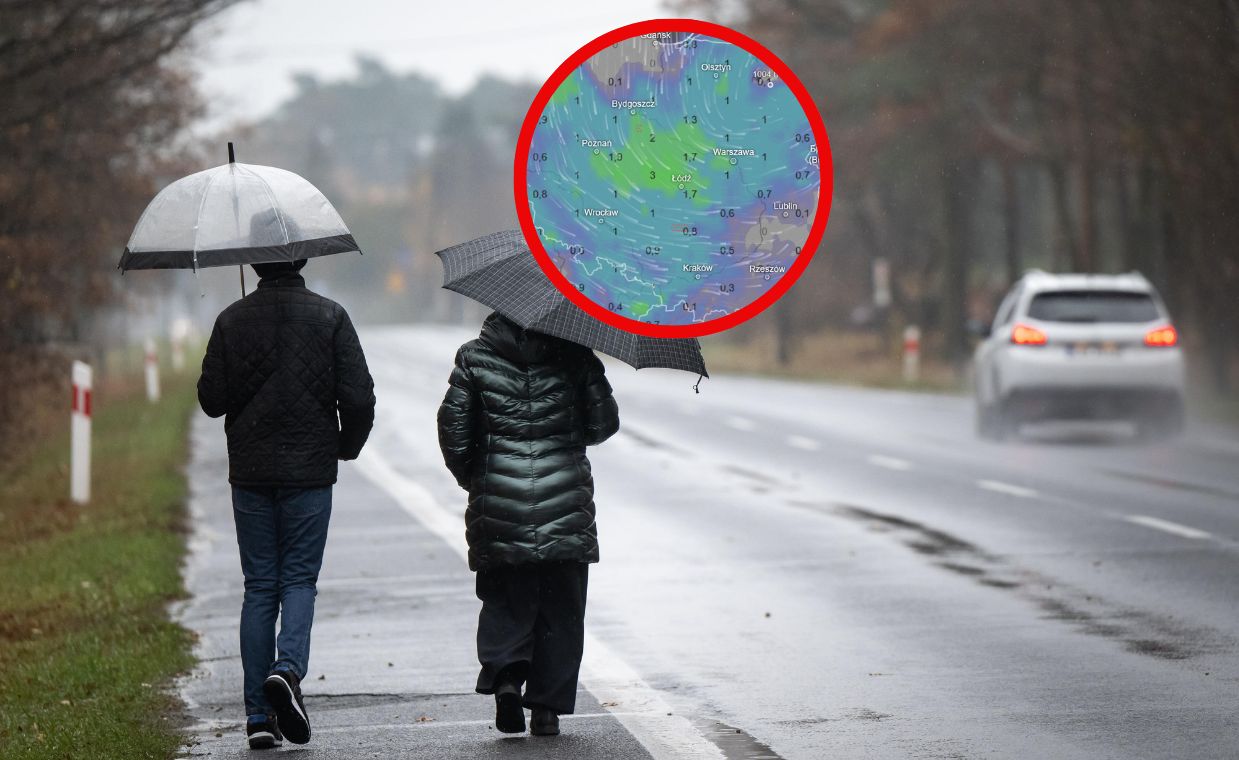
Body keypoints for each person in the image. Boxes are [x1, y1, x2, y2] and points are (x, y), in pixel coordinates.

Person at [197, 258, 375, 749]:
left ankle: (258, 715)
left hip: (251, 471)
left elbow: (211, 400)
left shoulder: (232, 320)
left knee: (259, 587)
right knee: (298, 578)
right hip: (309, 473)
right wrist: (343, 445)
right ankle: (288, 671)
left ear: (254, 262)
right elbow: (359, 397)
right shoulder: (330, 316)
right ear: (302, 258)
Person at [437, 312, 619, 737]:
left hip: (499, 502)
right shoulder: (575, 354)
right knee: (561, 609)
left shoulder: (474, 357)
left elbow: (455, 434)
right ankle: (546, 710)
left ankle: (505, 679)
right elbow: (602, 424)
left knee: (505, 599)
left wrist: (478, 479)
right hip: (565, 505)